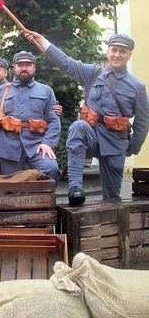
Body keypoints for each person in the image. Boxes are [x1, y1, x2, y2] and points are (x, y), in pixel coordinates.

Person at [25, 30, 149, 205]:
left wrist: (132, 148)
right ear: (108, 52)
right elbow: (65, 62)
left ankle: (111, 228)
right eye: (114, 50)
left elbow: (143, 122)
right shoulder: (92, 73)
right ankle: (75, 188)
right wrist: (43, 41)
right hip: (91, 136)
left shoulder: (137, 86)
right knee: (78, 126)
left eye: (122, 51)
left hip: (115, 143)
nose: (117, 54)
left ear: (129, 55)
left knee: (112, 199)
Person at [0, 51, 61, 185]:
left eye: (28, 64)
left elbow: (53, 120)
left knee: (51, 169)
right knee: (12, 185)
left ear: (34, 67)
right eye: (20, 65)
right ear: (15, 67)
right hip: (9, 145)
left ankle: (40, 204)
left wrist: (47, 143)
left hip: (37, 144)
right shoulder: (1, 90)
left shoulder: (46, 90)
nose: (24, 68)